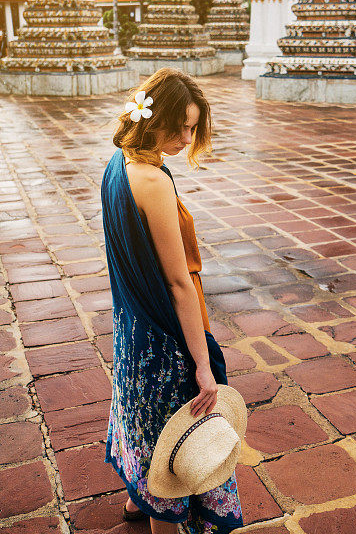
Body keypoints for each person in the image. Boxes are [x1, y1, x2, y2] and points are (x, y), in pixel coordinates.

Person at [100, 67, 244, 534]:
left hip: (132, 329)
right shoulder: (154, 182)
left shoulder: (118, 163)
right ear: (152, 118)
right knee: (175, 446)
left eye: (192, 127)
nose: (186, 137)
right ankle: (159, 516)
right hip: (163, 339)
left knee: (145, 427)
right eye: (180, 126)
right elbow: (179, 284)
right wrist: (202, 365)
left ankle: (135, 503)